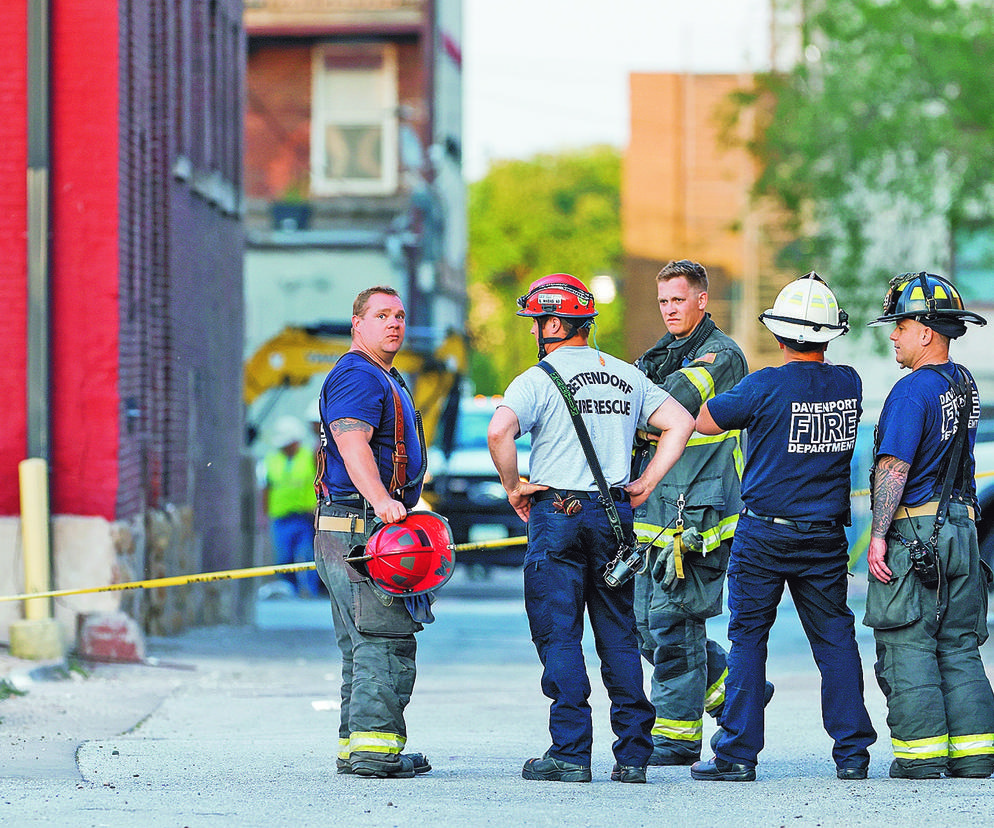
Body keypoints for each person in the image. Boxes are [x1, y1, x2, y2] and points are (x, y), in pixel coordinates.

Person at [487, 273, 695, 784]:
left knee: (559, 633)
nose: (536, 330)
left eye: (538, 321)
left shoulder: (538, 379)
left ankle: (571, 752)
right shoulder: (625, 375)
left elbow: (499, 432)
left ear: (554, 323)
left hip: (557, 513)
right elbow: (681, 422)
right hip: (614, 515)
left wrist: (515, 486)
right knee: (618, 634)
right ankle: (632, 756)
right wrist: (644, 482)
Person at [691, 272, 876, 782]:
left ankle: (736, 756)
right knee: (835, 638)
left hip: (764, 535)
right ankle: (853, 753)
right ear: (828, 335)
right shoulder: (849, 382)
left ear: (778, 334)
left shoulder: (762, 385)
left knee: (749, 639)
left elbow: (706, 420)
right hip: (823, 536)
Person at [863, 271, 994, 780]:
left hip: (915, 535)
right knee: (959, 644)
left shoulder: (911, 390)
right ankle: (976, 753)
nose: (893, 335)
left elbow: (894, 467)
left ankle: (921, 758)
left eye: (900, 325)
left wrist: (877, 535)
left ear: (926, 331)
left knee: (907, 642)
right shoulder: (964, 383)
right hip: (962, 531)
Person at [631, 259, 757, 766]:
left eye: (678, 300)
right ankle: (731, 688)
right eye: (663, 301)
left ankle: (676, 737)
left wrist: (639, 417)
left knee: (674, 622)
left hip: (700, 512)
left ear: (701, 300)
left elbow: (668, 406)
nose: (669, 310)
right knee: (642, 625)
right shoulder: (660, 351)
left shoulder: (721, 355)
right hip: (656, 508)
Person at [312, 285, 432, 780]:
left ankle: (355, 744)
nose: (394, 323)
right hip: (364, 531)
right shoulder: (359, 375)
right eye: (382, 315)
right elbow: (351, 439)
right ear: (357, 323)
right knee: (384, 639)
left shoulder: (382, 375)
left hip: (353, 528)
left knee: (361, 642)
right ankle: (376, 751)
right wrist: (384, 501)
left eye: (400, 315)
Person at [262, 415, 323, 598]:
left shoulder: (310, 456)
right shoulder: (272, 459)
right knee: (283, 557)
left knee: (308, 555)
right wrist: (265, 514)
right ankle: (289, 590)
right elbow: (266, 487)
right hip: (281, 517)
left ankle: (312, 591)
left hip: (305, 516)